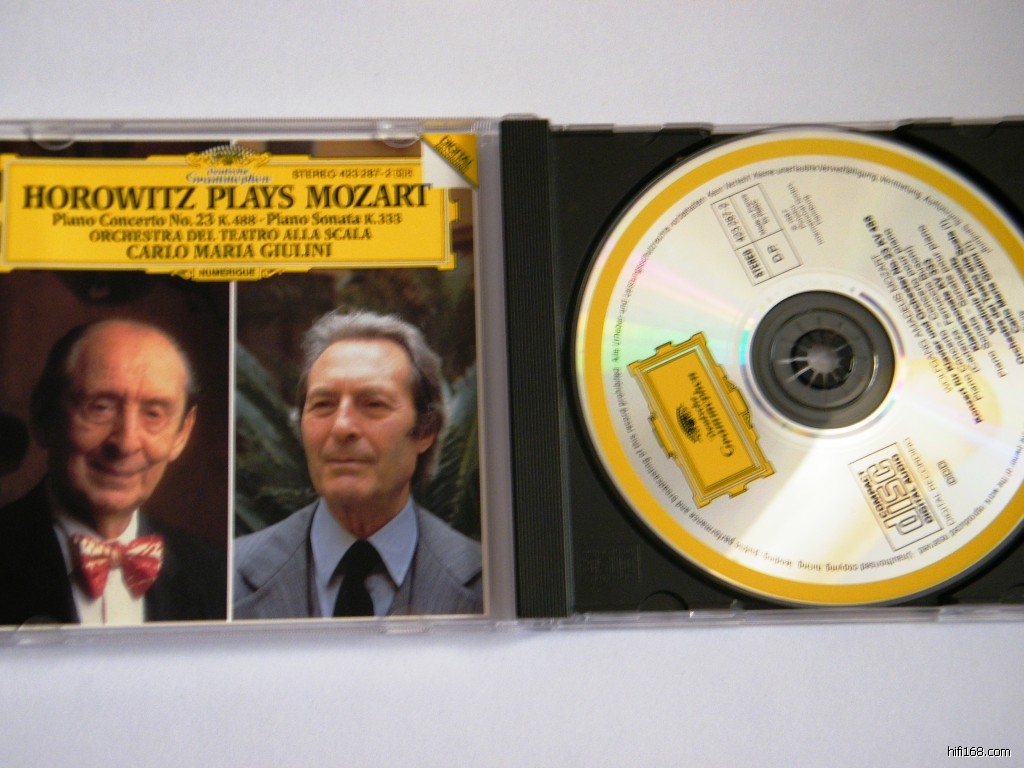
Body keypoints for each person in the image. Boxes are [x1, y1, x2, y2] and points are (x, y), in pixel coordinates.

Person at [233, 310, 483, 618]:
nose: (341, 427)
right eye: (323, 404)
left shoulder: (486, 585)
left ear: (425, 430)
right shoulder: (231, 577)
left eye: (373, 404)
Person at [0, 319, 226, 626]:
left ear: (181, 434)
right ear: (44, 417)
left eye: (153, 414)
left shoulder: (216, 575)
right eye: (100, 407)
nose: (126, 443)